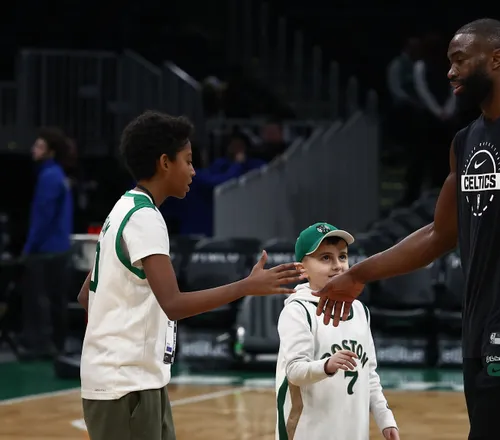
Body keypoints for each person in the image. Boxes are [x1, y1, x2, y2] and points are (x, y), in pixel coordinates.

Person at [314, 18, 500, 440]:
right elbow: (439, 233)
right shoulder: (465, 141)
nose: (450, 72)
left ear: (496, 59)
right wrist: (360, 273)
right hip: (477, 324)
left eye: (459, 60)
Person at [77, 110, 306, 440]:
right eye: (188, 160)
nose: (194, 171)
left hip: (132, 380)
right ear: (164, 163)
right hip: (125, 386)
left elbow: (87, 296)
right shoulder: (145, 219)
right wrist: (247, 285)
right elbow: (173, 304)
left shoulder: (123, 209)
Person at [275, 222, 399, 440]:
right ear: (302, 269)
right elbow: (294, 371)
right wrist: (327, 365)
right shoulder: (297, 311)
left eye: (342, 257)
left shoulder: (360, 311)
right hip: (308, 432)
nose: (338, 266)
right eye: (325, 258)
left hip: (353, 431)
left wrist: (385, 419)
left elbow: (369, 374)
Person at [18, 126, 74, 359]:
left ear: (50, 152)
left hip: (46, 251)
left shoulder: (48, 177)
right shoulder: (59, 175)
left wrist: (28, 249)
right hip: (60, 249)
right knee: (56, 299)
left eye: (39, 146)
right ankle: (58, 344)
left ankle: (40, 346)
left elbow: (42, 218)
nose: (34, 149)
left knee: (38, 300)